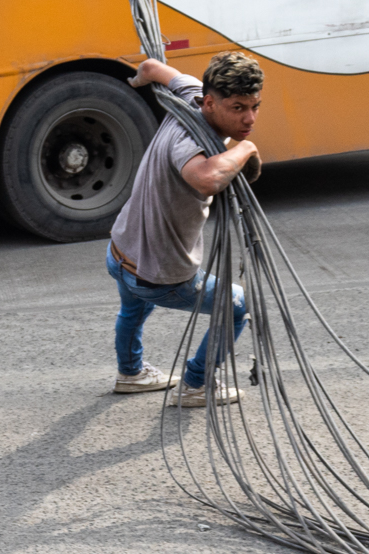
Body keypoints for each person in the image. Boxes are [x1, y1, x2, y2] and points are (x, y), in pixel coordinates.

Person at [106, 52, 262, 404]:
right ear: (210, 103)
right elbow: (207, 179)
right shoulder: (189, 143)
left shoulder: (190, 92)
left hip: (120, 251)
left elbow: (152, 68)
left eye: (255, 106)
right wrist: (247, 149)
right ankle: (196, 384)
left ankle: (130, 373)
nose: (249, 118)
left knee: (132, 310)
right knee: (237, 306)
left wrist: (138, 80)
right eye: (238, 108)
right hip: (158, 276)